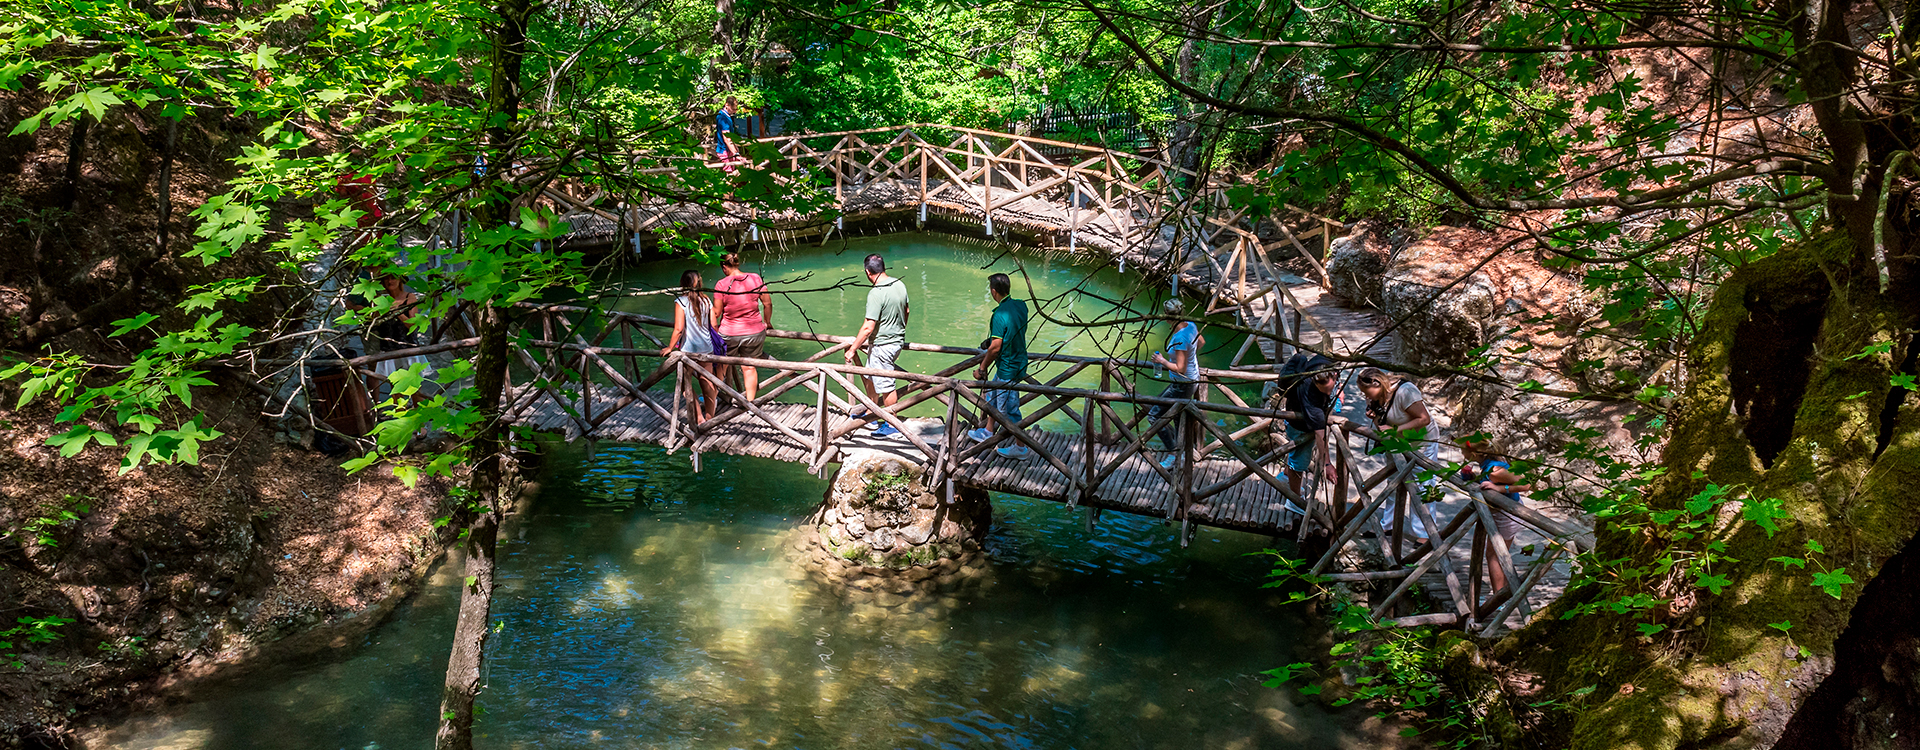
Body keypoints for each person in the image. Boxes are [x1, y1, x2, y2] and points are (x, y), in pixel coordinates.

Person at [1358, 367, 1435, 543]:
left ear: (1377, 384)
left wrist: (1395, 430)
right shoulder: (1378, 398)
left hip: (1421, 442)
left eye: (1367, 392)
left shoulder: (1406, 391)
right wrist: (1375, 419)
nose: (1367, 398)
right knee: (1392, 482)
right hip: (1397, 443)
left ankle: (1424, 533)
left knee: (1422, 485)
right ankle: (1388, 524)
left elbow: (1424, 419)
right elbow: (1382, 428)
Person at [1457, 435, 1535, 591]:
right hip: (1501, 512)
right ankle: (1504, 592)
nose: (1460, 452)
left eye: (1463, 449)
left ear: (1473, 454)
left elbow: (1526, 485)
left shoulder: (1495, 471)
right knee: (1499, 554)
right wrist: (1473, 478)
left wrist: (1501, 489)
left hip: (1507, 514)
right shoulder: (1487, 466)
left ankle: (1499, 597)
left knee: (1495, 555)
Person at [845, 254, 909, 437]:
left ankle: (893, 424)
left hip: (883, 345)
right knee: (870, 377)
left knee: (887, 385)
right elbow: (906, 311)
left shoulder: (876, 293)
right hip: (895, 341)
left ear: (868, 271)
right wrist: (900, 329)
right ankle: (871, 413)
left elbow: (868, 327)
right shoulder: (899, 284)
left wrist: (852, 349)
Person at [968, 273, 1030, 459]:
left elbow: (995, 348)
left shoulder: (999, 315)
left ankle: (1021, 448)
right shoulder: (1021, 306)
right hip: (1019, 361)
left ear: (993, 291)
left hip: (1008, 367)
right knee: (994, 398)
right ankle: (988, 431)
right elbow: (1011, 331)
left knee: (1009, 410)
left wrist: (982, 368)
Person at [1145, 298, 1204, 470]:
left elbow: (1180, 368)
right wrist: (1189, 355)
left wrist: (1162, 360)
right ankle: (1182, 452)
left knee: (1154, 415)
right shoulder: (1191, 325)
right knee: (1178, 419)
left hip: (1183, 383)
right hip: (1192, 380)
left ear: (1166, 317)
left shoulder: (1179, 338)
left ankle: (1173, 453)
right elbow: (1201, 343)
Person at [713, 252, 773, 400]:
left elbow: (717, 312)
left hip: (729, 333)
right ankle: (750, 404)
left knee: (722, 366)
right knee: (749, 366)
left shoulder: (721, 284)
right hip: (754, 332)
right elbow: (768, 303)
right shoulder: (755, 278)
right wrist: (768, 322)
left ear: (724, 267)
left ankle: (714, 399)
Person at [1281, 356, 1342, 495]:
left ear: (1334, 375)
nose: (1327, 393)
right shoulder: (1311, 399)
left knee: (1295, 455)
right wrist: (1327, 464)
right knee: (1299, 463)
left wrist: (1338, 390)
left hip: (1297, 416)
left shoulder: (1327, 364)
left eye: (1329, 388)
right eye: (1323, 391)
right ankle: (1294, 499)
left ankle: (1285, 477)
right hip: (1299, 427)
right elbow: (1321, 436)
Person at [666, 269, 721, 424]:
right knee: (707, 381)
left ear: (683, 284)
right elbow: (714, 325)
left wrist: (670, 348)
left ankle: (699, 417)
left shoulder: (681, 302)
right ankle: (711, 417)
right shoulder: (706, 300)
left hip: (688, 350)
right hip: (706, 347)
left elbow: (678, 329)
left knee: (685, 385)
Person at [715, 96, 743, 172]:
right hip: (724, 150)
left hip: (729, 149)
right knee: (729, 172)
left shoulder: (726, 116)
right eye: (733, 109)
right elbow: (727, 138)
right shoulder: (723, 118)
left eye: (736, 109)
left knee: (733, 170)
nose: (735, 112)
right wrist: (736, 153)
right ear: (727, 105)